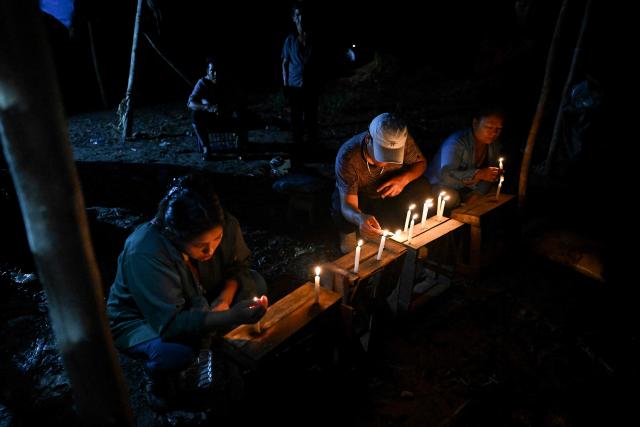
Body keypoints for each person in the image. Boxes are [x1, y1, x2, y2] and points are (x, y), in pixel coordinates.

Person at [106, 174, 267, 411]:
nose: (211, 249)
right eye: (200, 246)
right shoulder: (145, 252)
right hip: (144, 319)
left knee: (255, 282)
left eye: (217, 238)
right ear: (175, 235)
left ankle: (214, 338)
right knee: (177, 354)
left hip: (202, 296)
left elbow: (237, 266)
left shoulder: (221, 222)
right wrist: (230, 317)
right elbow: (171, 323)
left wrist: (224, 300)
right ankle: (158, 380)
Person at [332, 112, 431, 253]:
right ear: (368, 139)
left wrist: (404, 179)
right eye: (382, 153)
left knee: (421, 185)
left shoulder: (403, 141)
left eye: (393, 154)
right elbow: (348, 205)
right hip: (360, 196)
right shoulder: (348, 156)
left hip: (387, 191)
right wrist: (359, 218)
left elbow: (421, 163)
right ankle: (349, 238)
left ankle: (411, 236)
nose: (386, 162)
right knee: (339, 202)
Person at [426, 107, 505, 207]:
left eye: (499, 129)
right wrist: (478, 174)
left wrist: (478, 193)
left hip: (468, 187)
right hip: (440, 185)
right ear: (475, 124)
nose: (494, 133)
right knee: (451, 198)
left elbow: (489, 176)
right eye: (489, 127)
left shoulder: (493, 145)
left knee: (492, 194)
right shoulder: (456, 142)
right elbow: (446, 176)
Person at [281, 2, 318, 164]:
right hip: (294, 85)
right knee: (296, 120)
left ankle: (313, 148)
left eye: (302, 14)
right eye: (297, 15)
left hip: (310, 85)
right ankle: (299, 149)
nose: (300, 18)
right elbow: (284, 63)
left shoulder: (313, 38)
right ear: (293, 18)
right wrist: (285, 85)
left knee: (311, 118)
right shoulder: (289, 40)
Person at [188, 58, 246, 160]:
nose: (215, 74)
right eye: (212, 71)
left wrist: (228, 107)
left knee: (241, 113)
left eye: (218, 71)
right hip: (209, 118)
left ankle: (240, 147)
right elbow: (190, 103)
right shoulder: (202, 83)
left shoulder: (228, 83)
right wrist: (207, 107)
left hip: (226, 116)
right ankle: (206, 148)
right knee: (195, 115)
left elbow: (239, 100)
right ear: (207, 71)